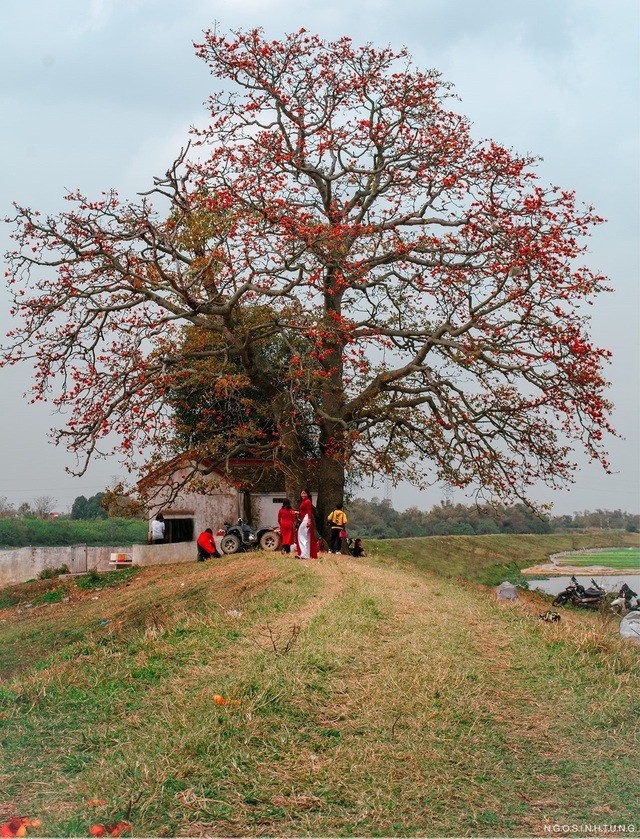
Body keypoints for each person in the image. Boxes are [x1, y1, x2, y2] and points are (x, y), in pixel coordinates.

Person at [295, 489, 317, 559]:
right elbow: (303, 511)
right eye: (302, 493)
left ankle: (304, 554)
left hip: (306, 518)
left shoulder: (307, 501)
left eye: (304, 493)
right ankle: (306, 554)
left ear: (307, 494)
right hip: (305, 518)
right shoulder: (304, 501)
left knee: (301, 535)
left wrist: (309, 520)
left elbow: (309, 511)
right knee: (306, 536)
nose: (303, 495)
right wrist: (297, 512)